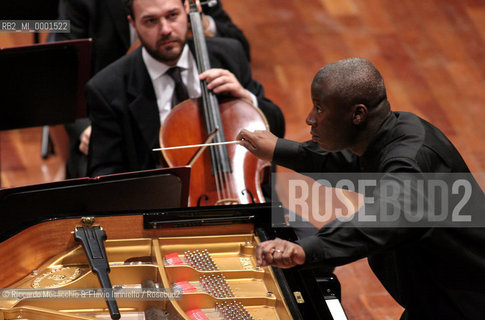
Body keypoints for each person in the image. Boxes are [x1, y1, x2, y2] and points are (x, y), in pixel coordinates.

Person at [238, 58, 485, 319]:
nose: (310, 118)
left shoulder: (410, 163)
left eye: (320, 108)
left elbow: (381, 216)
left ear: (358, 114)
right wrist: (278, 149)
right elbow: (349, 160)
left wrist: (308, 249)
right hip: (432, 298)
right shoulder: (395, 131)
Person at [51, 0, 252, 178]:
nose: (165, 30)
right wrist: (84, 127)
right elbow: (61, 66)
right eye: (151, 21)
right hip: (118, 106)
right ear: (133, 23)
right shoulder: (106, 87)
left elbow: (273, 130)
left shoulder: (228, 55)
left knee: (276, 214)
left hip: (234, 181)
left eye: (173, 15)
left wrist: (248, 103)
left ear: (186, 11)